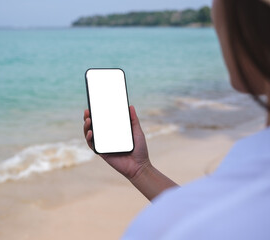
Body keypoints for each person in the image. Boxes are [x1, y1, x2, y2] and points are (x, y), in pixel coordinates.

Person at [83, 0, 270, 239]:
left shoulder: (161, 230)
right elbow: (215, 213)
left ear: (248, 17)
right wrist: (141, 170)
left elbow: (210, 220)